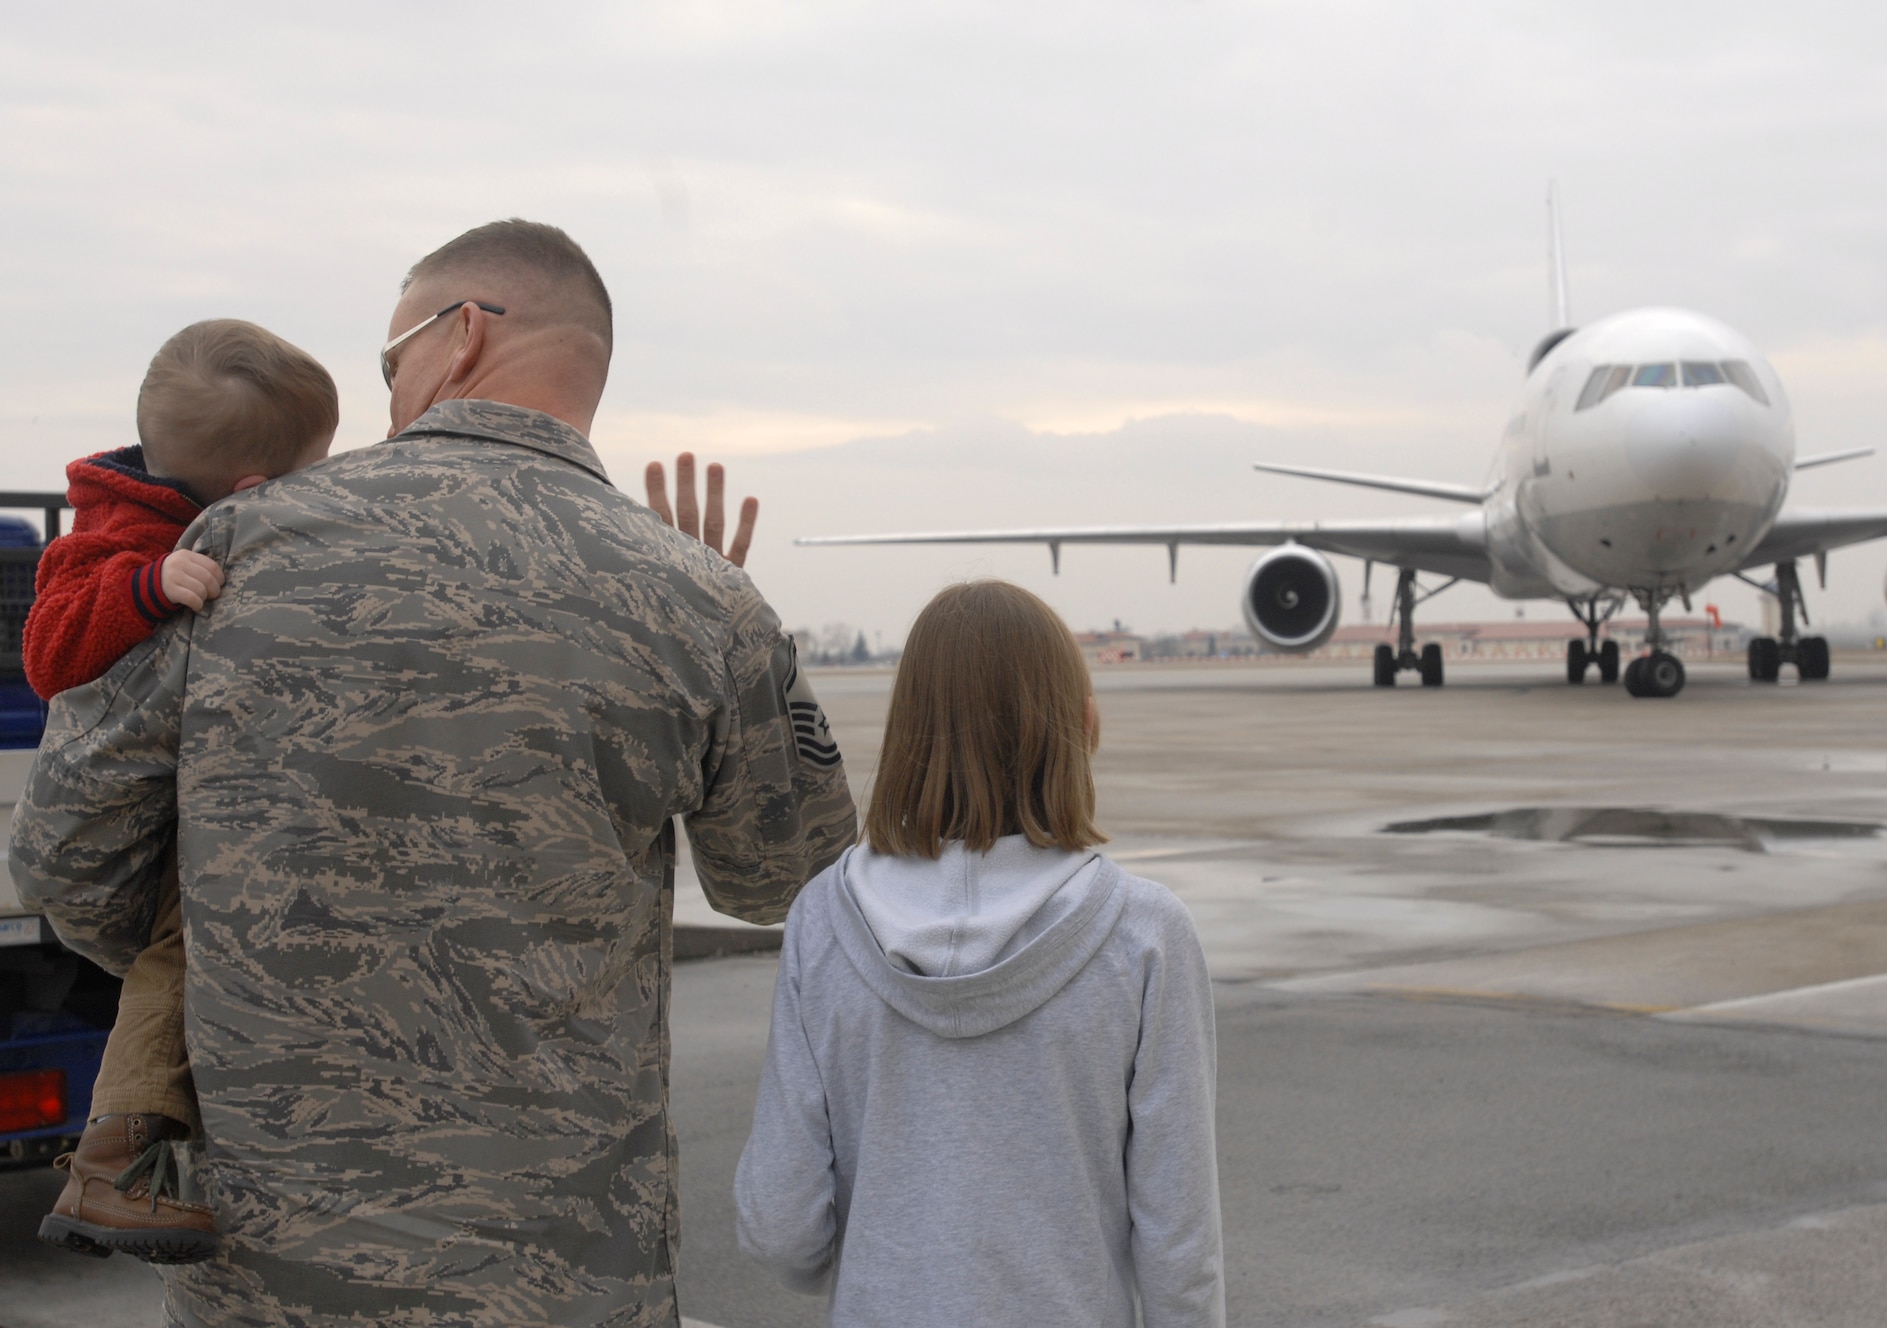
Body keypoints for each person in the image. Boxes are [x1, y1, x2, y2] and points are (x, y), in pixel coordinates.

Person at [10, 218, 857, 1327]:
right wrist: (742, 626)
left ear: (459, 335)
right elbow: (786, 876)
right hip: (559, 1273)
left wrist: (236, 959)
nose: (386, 389)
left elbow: (65, 861)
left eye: (388, 358)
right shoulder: (692, 595)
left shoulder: (233, 548)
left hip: (270, 1271)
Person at [734, 580, 1226, 1327]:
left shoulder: (822, 923)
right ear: (1084, 727)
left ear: (907, 734)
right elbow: (1179, 1245)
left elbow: (781, 1227)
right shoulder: (1146, 934)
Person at [27, 318, 340, 1264]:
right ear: (253, 493)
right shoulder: (118, 535)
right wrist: (145, 586)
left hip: (180, 798)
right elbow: (49, 654)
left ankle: (147, 1160)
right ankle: (111, 1162)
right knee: (185, 952)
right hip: (150, 818)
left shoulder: (181, 505)